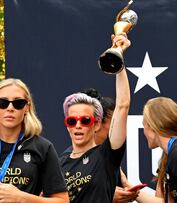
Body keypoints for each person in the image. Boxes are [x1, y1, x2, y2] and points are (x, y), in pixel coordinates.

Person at [59, 33, 131, 203]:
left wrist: (117, 56)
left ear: (96, 124)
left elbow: (122, 105)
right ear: (67, 125)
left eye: (85, 120)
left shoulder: (106, 155)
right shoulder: (59, 163)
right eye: (72, 121)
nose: (78, 125)